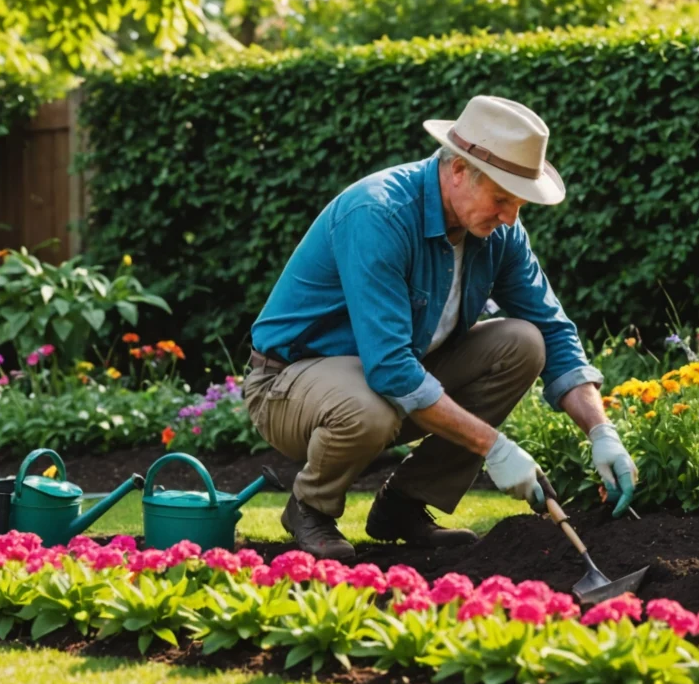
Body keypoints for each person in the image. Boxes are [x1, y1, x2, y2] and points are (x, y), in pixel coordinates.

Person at [242, 95, 638, 560]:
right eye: (502, 199)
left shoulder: (499, 233)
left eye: (519, 204)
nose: (510, 217)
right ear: (459, 171)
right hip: (288, 386)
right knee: (370, 407)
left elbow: (551, 328)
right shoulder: (379, 214)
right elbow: (391, 368)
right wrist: (495, 448)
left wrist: (601, 432)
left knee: (523, 343)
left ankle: (404, 505)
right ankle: (310, 507)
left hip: (386, 379)